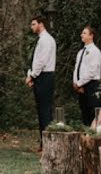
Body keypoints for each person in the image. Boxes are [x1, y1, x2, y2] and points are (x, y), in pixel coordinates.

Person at [26, 15, 56, 151]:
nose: (31, 27)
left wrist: (32, 75)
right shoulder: (42, 40)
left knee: (45, 111)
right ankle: (44, 143)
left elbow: (41, 61)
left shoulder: (46, 40)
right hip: (41, 76)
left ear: (41, 24)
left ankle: (47, 144)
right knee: (42, 110)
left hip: (45, 76)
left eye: (33, 24)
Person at [72, 26, 101, 127]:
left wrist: (80, 83)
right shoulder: (80, 52)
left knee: (92, 112)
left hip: (92, 85)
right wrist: (76, 83)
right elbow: (77, 68)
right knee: (84, 112)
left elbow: (92, 71)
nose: (82, 35)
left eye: (84, 33)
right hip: (81, 86)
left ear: (91, 36)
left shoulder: (95, 51)